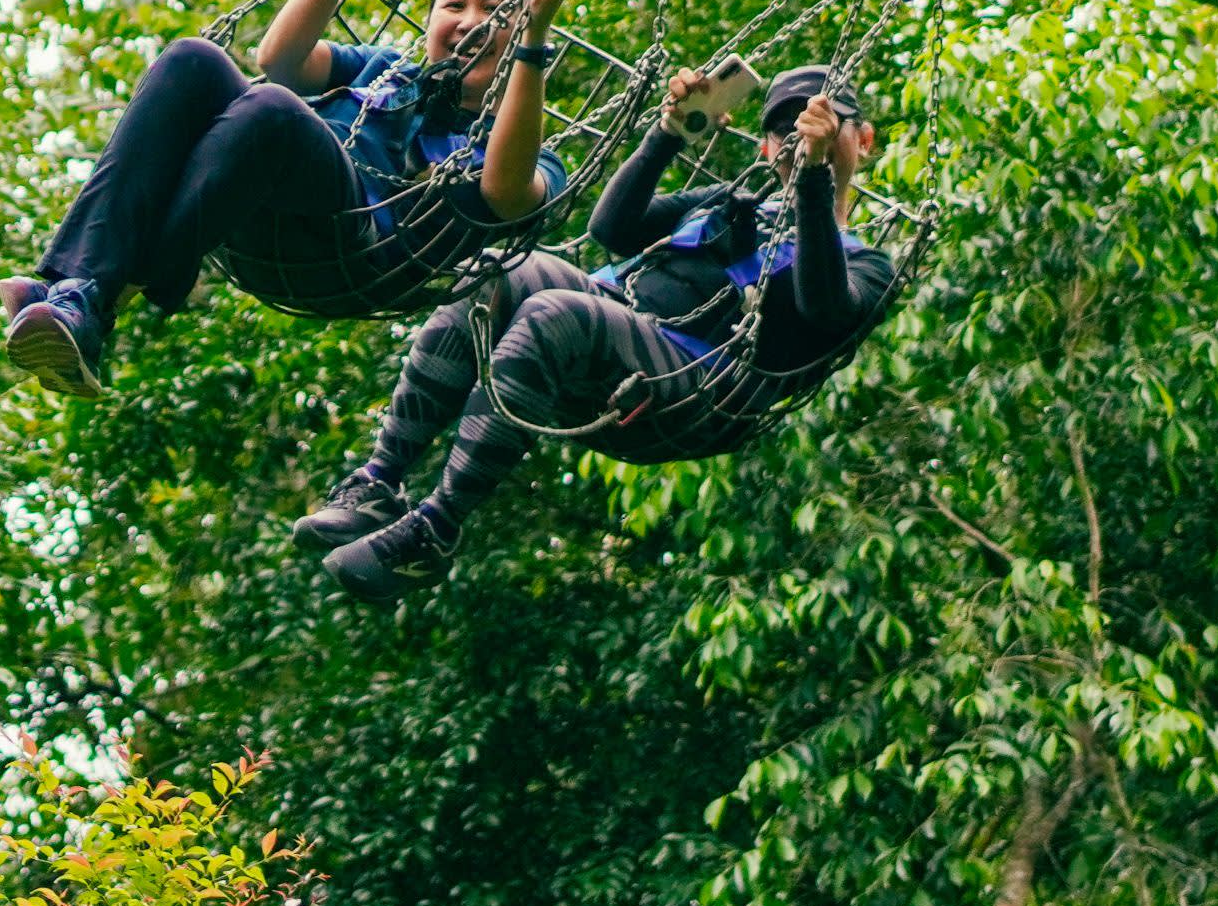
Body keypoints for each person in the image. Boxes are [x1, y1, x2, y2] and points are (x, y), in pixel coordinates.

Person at [295, 63, 898, 602]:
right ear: (766, 147)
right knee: (495, 272)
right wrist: (668, 133)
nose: (799, 138)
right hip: (617, 319)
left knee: (556, 313)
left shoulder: (868, 264)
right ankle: (378, 480)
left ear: (863, 140)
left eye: (822, 125)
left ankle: (435, 530)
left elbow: (825, 308)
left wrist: (815, 181)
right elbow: (613, 228)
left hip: (696, 389)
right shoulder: (729, 204)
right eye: (785, 129)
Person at [0, 0, 574, 397]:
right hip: (257, 190)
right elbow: (281, 59)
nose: (471, 22)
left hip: (355, 248)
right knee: (193, 58)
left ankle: (98, 293)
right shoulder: (386, 69)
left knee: (272, 107)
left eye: (497, 10)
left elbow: (504, 192)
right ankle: (72, 289)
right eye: (454, 4)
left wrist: (535, 38)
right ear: (430, 21)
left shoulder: (534, 155)